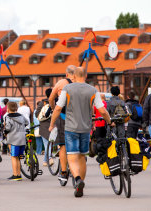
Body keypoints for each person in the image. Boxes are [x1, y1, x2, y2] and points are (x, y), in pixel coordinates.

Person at [49, 66, 111, 197]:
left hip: (71, 128)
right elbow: (102, 110)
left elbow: (58, 108)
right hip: (85, 128)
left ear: (74, 76)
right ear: (86, 76)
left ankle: (77, 179)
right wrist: (109, 121)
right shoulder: (93, 90)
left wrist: (52, 123)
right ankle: (80, 183)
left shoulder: (67, 89)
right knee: (82, 156)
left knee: (71, 156)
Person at [48, 65, 75, 183]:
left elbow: (50, 99)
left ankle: (64, 171)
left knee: (63, 145)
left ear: (67, 74)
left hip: (63, 116)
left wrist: (54, 110)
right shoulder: (82, 84)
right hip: (78, 117)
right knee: (76, 143)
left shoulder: (61, 83)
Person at [4, 101, 29, 181]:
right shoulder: (21, 116)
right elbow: (27, 122)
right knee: (18, 157)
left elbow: (8, 128)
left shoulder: (8, 117)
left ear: (8, 109)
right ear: (16, 108)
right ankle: (18, 174)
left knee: (13, 157)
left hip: (14, 139)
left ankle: (16, 175)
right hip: (22, 138)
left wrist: (5, 131)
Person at [36, 89, 54, 166]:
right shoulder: (55, 102)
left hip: (43, 126)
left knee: (47, 144)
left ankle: (45, 160)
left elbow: (36, 114)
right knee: (49, 144)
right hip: (52, 126)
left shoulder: (41, 103)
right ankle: (49, 158)